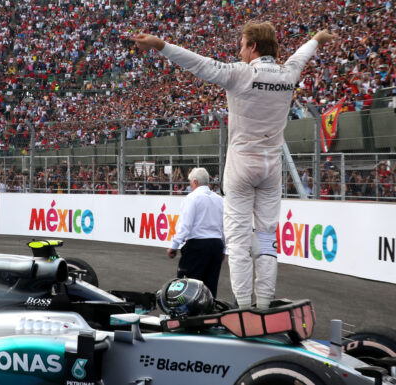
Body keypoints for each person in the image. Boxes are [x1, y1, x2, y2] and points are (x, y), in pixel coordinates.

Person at [132, 23, 336, 309]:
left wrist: (159, 44)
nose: (239, 50)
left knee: (239, 242)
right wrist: (317, 38)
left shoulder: (240, 73)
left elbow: (197, 63)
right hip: (271, 166)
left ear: (253, 47)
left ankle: (243, 308)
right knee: (266, 240)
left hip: (241, 164)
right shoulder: (289, 73)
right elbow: (302, 55)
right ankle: (264, 304)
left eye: (242, 45)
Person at [166, 168, 225, 297]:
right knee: (210, 288)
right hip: (216, 244)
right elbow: (223, 226)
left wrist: (174, 246)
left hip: (197, 246)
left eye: (190, 182)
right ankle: (209, 314)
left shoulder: (191, 198)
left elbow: (185, 225)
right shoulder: (219, 199)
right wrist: (224, 249)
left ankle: (188, 314)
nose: (190, 185)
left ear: (195, 182)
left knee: (187, 286)